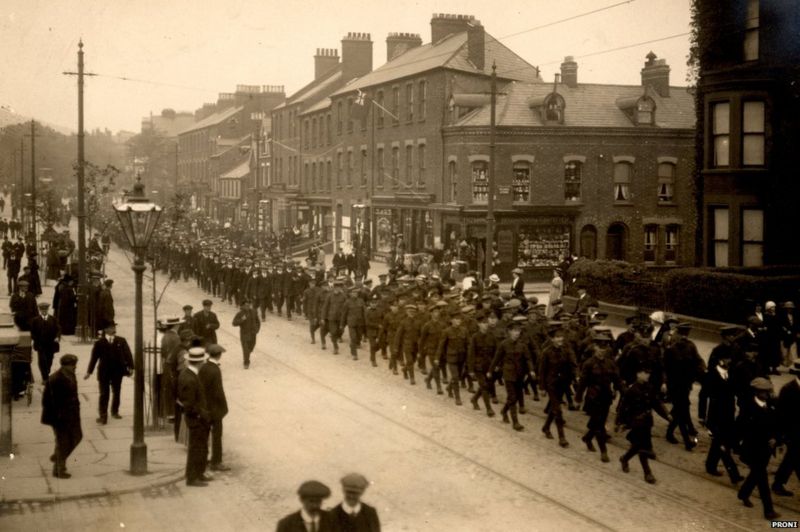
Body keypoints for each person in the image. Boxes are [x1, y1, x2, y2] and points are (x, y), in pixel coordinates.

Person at [616, 365, 672, 484]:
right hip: (636, 423)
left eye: (648, 373)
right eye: (645, 373)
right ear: (638, 374)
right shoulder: (631, 390)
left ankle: (624, 458)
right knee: (643, 448)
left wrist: (667, 415)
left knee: (637, 446)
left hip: (647, 422)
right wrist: (620, 422)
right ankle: (648, 473)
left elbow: (656, 404)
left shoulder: (649, 387)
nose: (648, 375)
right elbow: (623, 408)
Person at [736, 377, 780, 520]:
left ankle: (743, 493)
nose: (768, 394)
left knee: (756, 474)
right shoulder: (748, 408)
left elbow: (776, 424)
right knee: (762, 479)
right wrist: (731, 444)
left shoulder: (772, 405)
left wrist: (775, 438)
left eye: (769, 391)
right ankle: (769, 511)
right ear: (756, 392)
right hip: (752, 450)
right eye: (765, 392)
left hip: (766, 450)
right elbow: (739, 427)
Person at [575, 333, 622, 463]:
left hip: (606, 398)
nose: (602, 351)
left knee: (597, 422)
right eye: (599, 348)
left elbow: (617, 380)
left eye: (604, 348)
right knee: (600, 425)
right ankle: (604, 451)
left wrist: (625, 392)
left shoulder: (611, 364)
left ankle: (587, 438)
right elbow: (583, 382)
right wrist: (578, 398)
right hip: (593, 397)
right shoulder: (588, 364)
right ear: (594, 347)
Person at [700, 348, 743, 483]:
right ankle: (734, 474)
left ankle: (711, 465)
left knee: (720, 443)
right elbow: (703, 395)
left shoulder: (730, 374)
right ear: (720, 360)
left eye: (730, 359)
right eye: (727, 358)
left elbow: (736, 391)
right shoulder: (711, 375)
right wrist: (702, 416)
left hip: (729, 414)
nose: (729, 361)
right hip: (715, 416)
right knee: (722, 443)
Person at [41, 354, 82, 479]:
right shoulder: (55, 379)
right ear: (66, 366)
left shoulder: (70, 375)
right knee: (63, 442)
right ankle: (59, 470)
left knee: (77, 437)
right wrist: (58, 416)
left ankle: (57, 456)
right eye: (73, 365)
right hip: (59, 417)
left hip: (72, 414)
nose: (75, 367)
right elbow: (47, 401)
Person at [84, 322, 134, 424]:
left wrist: (131, 367)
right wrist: (89, 372)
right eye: (111, 327)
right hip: (104, 372)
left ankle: (114, 411)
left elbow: (128, 354)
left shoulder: (121, 340)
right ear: (105, 330)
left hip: (117, 372)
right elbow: (94, 358)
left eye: (114, 327)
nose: (114, 329)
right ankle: (103, 416)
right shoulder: (99, 343)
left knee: (117, 392)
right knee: (104, 394)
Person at [178, 346, 212, 487]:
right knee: (196, 448)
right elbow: (189, 404)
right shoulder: (189, 378)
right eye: (203, 361)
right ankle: (192, 477)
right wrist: (201, 415)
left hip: (197, 418)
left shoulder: (190, 374)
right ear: (199, 362)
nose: (204, 363)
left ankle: (198, 473)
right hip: (196, 419)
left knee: (201, 447)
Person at [539, 324, 577, 446]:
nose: (560, 339)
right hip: (551, 384)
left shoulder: (565, 351)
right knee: (558, 411)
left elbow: (572, 364)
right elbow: (542, 371)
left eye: (561, 337)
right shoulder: (546, 352)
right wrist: (542, 387)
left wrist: (576, 376)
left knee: (554, 409)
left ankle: (546, 427)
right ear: (552, 339)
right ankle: (562, 437)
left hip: (563, 384)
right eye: (557, 337)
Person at [199, 344, 230, 472]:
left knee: (204, 435)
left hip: (205, 407)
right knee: (217, 436)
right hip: (215, 408)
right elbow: (218, 391)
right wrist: (224, 407)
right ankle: (216, 461)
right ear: (219, 355)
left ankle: (203, 459)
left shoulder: (204, 367)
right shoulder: (215, 370)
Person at [772, 361, 800, 497]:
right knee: (794, 457)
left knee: (792, 458)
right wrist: (782, 435)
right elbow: (781, 413)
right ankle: (778, 483)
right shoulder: (788, 389)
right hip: (792, 431)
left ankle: (778, 483)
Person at [30, 302, 61, 383]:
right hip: (40, 345)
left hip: (51, 344)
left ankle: (47, 372)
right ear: (40, 310)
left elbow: (58, 329)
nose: (44, 311)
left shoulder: (53, 319)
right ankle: (45, 377)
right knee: (42, 361)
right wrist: (35, 339)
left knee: (49, 360)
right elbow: (32, 332)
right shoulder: (35, 320)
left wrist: (57, 337)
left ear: (48, 310)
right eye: (42, 310)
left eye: (45, 310)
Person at [340, 287, 367, 361]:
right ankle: (354, 354)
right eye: (353, 293)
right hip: (351, 323)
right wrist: (342, 324)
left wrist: (366, 322)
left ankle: (353, 345)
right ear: (350, 294)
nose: (355, 294)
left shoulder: (361, 301)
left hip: (360, 323)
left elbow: (364, 312)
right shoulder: (347, 302)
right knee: (353, 338)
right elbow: (344, 314)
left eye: (356, 293)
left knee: (359, 337)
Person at [232, 299, 260, 369]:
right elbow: (234, 323)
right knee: (245, 349)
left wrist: (257, 329)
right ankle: (246, 362)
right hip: (244, 334)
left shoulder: (254, 312)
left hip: (253, 333)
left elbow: (258, 321)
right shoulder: (240, 314)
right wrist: (242, 319)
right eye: (246, 305)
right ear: (243, 306)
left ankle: (247, 355)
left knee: (251, 347)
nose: (248, 306)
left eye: (249, 305)